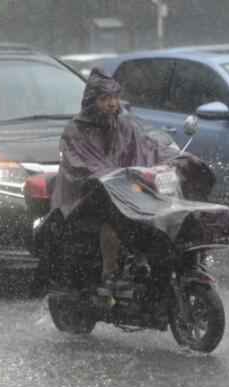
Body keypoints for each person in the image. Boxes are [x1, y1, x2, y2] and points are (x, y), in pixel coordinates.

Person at [52, 67, 180, 289]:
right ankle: (109, 272)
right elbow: (79, 163)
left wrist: (176, 159)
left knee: (156, 207)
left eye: (115, 97)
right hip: (88, 194)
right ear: (93, 101)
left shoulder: (125, 127)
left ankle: (144, 260)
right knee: (115, 216)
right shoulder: (76, 131)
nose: (112, 103)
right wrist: (103, 176)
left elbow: (147, 148)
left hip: (124, 187)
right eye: (105, 98)